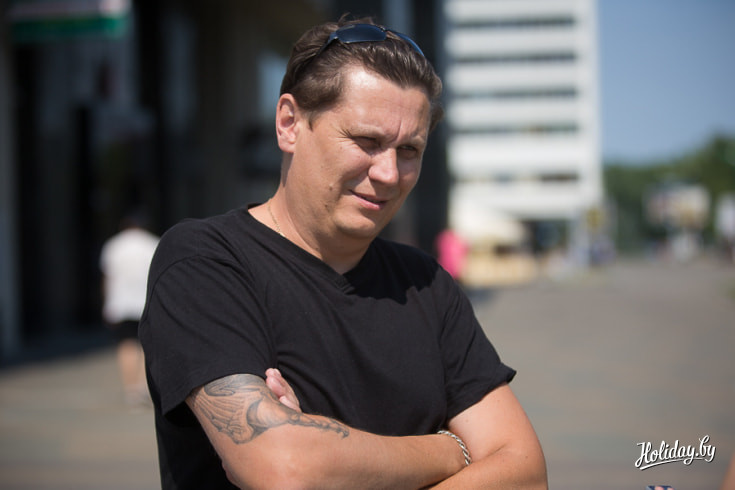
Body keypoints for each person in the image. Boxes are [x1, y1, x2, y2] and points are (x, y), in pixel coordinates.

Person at [140, 16, 547, 489]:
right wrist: (452, 449)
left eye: (409, 150)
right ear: (290, 124)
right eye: (366, 141)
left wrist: (325, 453)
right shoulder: (205, 262)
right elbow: (284, 468)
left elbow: (525, 472)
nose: (389, 173)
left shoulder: (425, 282)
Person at [100, 214, 159, 406]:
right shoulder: (152, 244)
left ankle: (131, 389)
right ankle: (144, 386)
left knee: (126, 345)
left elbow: (108, 276)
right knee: (147, 346)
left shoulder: (114, 245)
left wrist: (107, 303)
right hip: (147, 302)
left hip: (122, 303)